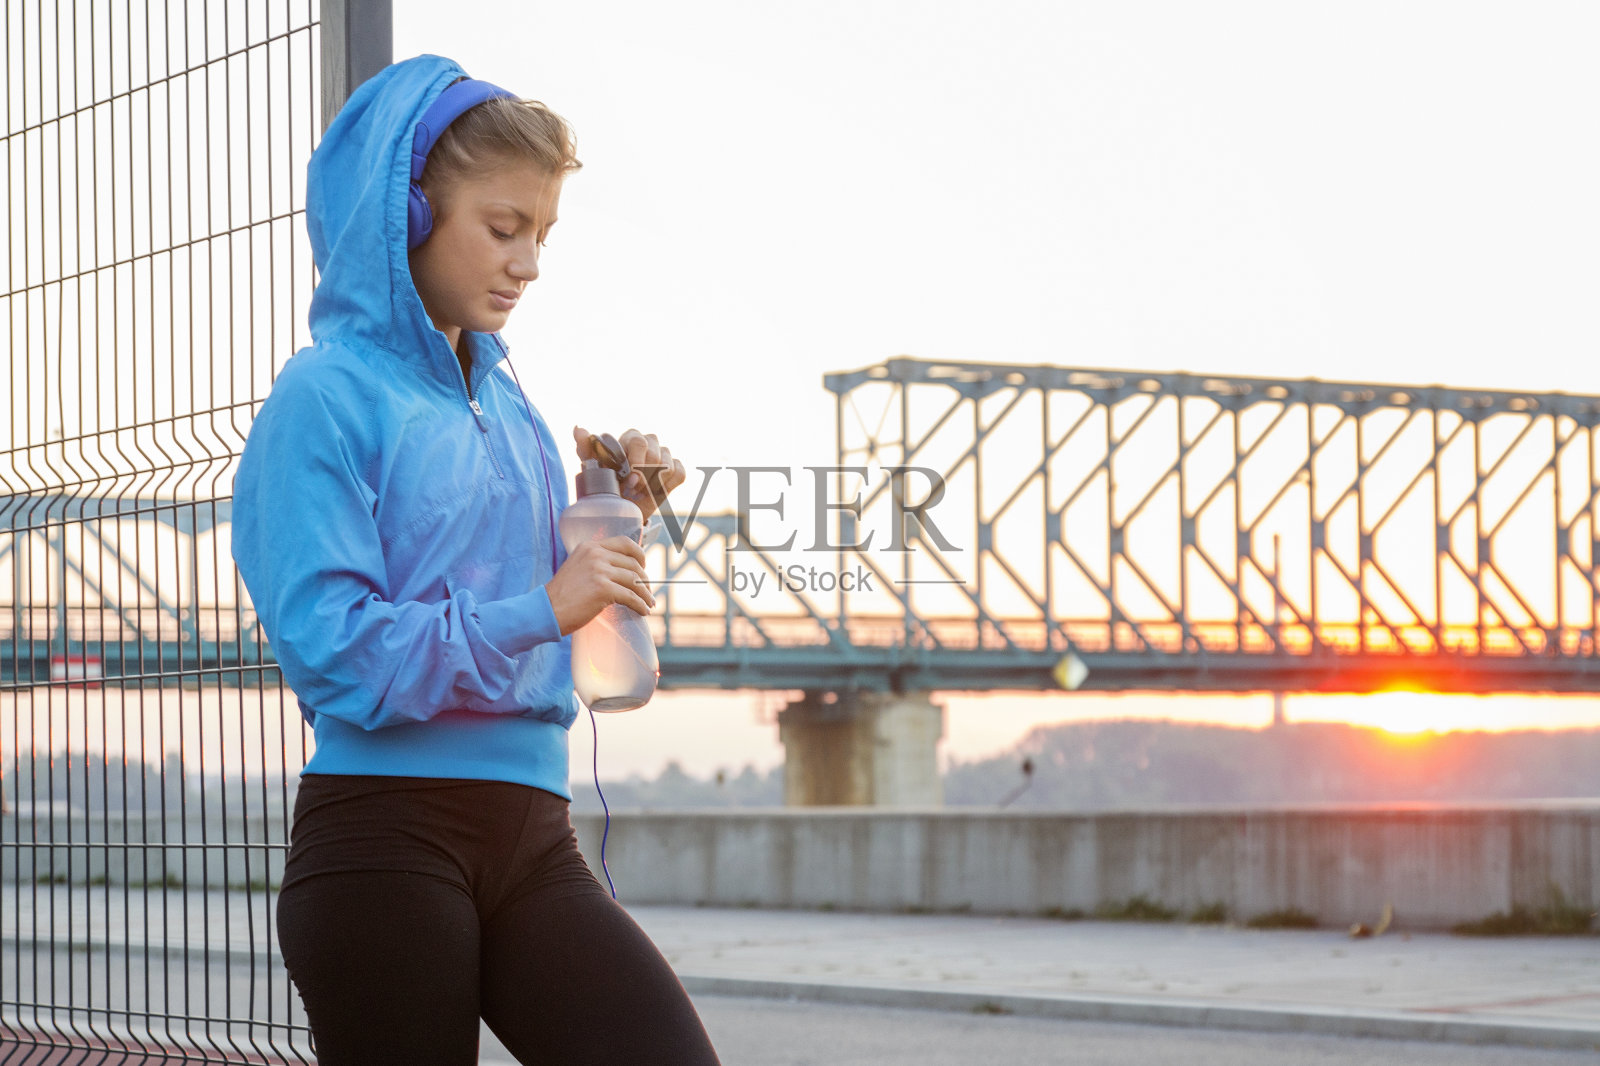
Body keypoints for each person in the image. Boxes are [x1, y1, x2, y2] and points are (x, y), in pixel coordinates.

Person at [231, 54, 719, 1066]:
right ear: (407, 216)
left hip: (535, 837)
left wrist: (613, 515)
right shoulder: (323, 398)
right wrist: (543, 608)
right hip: (384, 839)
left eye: (543, 235)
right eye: (503, 228)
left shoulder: (512, 408)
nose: (529, 263)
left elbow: (520, 599)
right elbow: (338, 655)